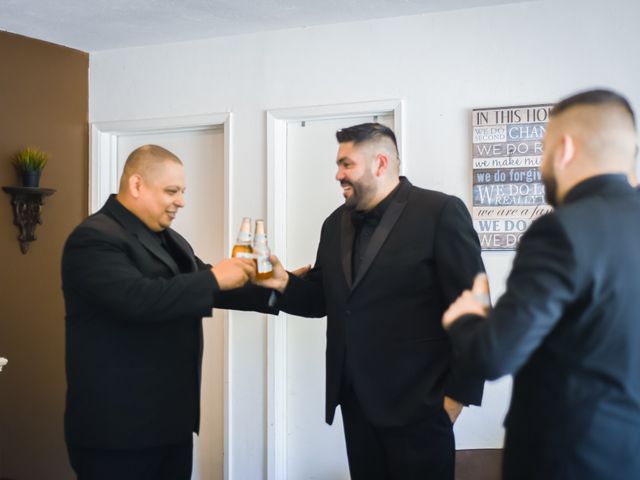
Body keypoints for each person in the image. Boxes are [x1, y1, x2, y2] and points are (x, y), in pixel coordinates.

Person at [257, 123, 485, 479]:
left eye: (346, 164)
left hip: (422, 409)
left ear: (380, 163)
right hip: (356, 405)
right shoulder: (333, 224)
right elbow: (322, 298)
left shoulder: (440, 212)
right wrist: (285, 283)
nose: (337, 174)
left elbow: (474, 308)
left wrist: (455, 400)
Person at [442, 89, 640, 480]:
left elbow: (495, 356)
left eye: (543, 149)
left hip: (568, 460)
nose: (540, 164)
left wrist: (467, 318)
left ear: (564, 149)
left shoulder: (560, 231)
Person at [61, 145, 274, 480]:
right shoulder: (93, 238)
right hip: (116, 433)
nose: (181, 201)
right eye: (172, 191)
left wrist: (281, 286)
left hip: (169, 425)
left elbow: (211, 285)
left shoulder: (171, 239)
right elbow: (138, 299)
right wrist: (214, 277)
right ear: (136, 185)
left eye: (183, 192)